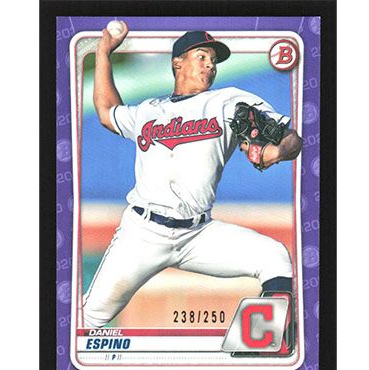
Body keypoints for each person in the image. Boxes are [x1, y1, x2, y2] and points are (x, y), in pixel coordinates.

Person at [83, 25, 302, 328]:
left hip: (197, 234)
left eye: (213, 60)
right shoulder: (147, 110)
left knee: (275, 256)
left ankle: (264, 344)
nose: (210, 65)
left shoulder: (229, 102)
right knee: (89, 319)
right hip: (142, 233)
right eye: (202, 56)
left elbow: (292, 137)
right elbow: (107, 110)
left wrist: (275, 152)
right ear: (178, 63)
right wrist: (103, 52)